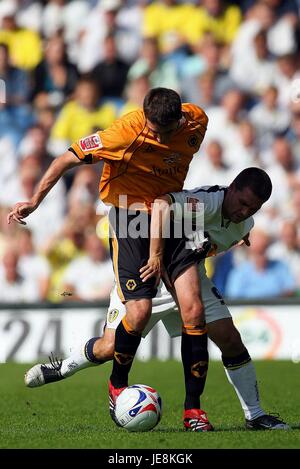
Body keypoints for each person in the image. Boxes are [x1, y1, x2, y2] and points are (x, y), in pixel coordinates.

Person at [23, 168, 289, 431]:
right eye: (242, 203)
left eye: (252, 208)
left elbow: (213, 242)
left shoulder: (244, 224)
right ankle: (63, 368)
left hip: (187, 277)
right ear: (231, 188)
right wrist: (156, 255)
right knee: (108, 347)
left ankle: (253, 414)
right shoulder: (204, 202)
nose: (244, 212)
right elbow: (162, 205)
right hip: (148, 269)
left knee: (229, 338)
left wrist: (226, 239)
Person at [8, 87, 209, 431]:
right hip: (129, 218)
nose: (158, 136)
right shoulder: (122, 133)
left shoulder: (197, 121)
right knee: (139, 312)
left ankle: (193, 410)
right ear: (145, 116)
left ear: (179, 119)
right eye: (154, 129)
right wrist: (35, 200)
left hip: (171, 214)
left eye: (166, 131)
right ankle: (117, 382)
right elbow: (65, 159)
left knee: (194, 310)